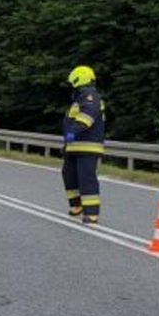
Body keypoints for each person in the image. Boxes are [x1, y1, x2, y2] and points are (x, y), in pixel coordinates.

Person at [62, 66, 106, 224]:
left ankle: (92, 213)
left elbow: (87, 116)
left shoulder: (90, 97)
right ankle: (76, 206)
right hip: (74, 146)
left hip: (88, 146)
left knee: (86, 178)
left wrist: (73, 131)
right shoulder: (78, 99)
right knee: (68, 174)